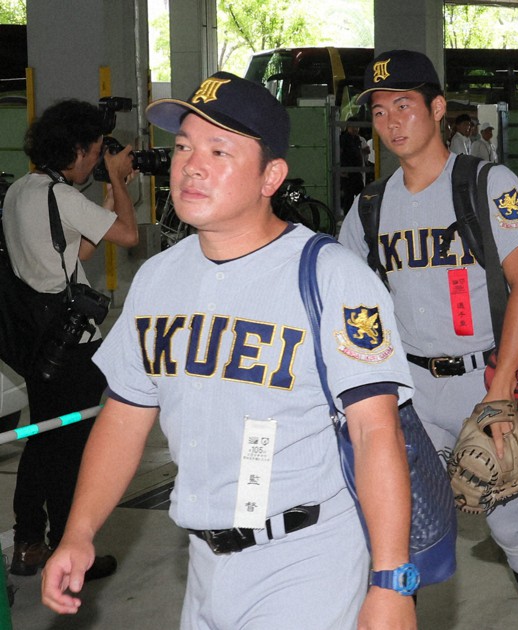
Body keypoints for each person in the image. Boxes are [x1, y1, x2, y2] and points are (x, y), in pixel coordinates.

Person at [40, 72, 419, 629]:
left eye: (220, 150)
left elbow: (375, 432)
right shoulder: (158, 279)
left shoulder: (329, 276)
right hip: (203, 566)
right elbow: (124, 417)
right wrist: (78, 533)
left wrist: (391, 581)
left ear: (271, 176)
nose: (191, 165)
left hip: (307, 561)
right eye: (185, 147)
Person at [339, 50, 518, 630]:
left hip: (482, 381)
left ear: (438, 109)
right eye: (380, 111)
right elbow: (350, 306)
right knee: (400, 526)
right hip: (409, 390)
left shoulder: (487, 182)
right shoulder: (370, 205)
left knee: (511, 524)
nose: (390, 122)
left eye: (404, 106)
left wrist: (502, 391)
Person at [3, 99, 139, 582]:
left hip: (37, 341)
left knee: (41, 440)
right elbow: (128, 235)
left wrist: (97, 205)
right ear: (80, 150)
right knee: (69, 448)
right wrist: (118, 182)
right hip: (72, 342)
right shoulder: (59, 196)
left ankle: (27, 542)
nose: (99, 159)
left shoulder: (22, 190)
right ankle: (66, 545)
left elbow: (72, 249)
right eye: (98, 151)